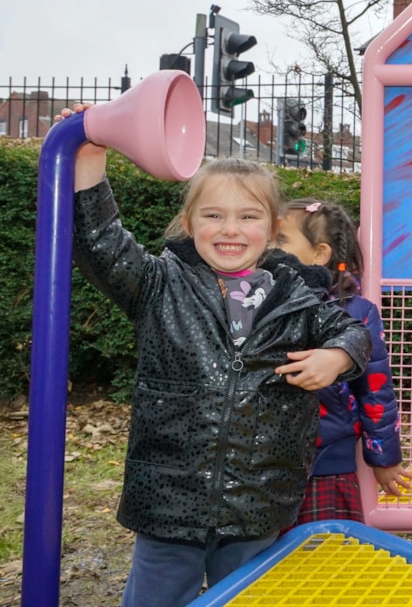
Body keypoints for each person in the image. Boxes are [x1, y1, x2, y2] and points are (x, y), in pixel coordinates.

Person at [63, 122, 372, 607]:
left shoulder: (296, 295)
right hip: (168, 495)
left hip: (259, 495)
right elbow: (100, 241)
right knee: (156, 597)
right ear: (189, 224)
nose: (230, 229)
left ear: (270, 230)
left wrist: (336, 357)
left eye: (248, 216)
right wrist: (90, 153)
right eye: (213, 215)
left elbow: (354, 333)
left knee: (245, 597)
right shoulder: (159, 284)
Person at [275, 198, 412, 523]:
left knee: (330, 553)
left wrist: (384, 458)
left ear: (319, 254)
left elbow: (376, 392)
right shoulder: (255, 299)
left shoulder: (356, 312)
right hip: (263, 460)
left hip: (327, 460)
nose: (268, 247)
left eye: (280, 240)